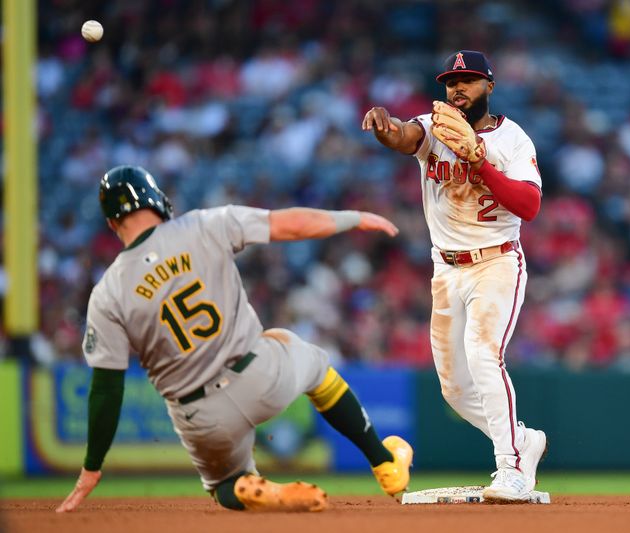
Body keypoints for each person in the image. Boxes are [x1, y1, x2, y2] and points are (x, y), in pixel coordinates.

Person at [56, 165, 413, 513]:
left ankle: (246, 485)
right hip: (258, 374)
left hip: (199, 415)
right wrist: (353, 218)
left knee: (223, 485)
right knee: (311, 361)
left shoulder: (107, 292)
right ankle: (384, 464)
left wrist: (92, 466)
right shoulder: (201, 225)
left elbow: (106, 389)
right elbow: (289, 225)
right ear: (156, 199)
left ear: (111, 223)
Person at [361, 50, 546, 502]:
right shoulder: (435, 126)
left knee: (484, 355)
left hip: (496, 261)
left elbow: (529, 206)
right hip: (446, 269)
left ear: (490, 87)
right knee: (456, 391)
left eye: (468, 80)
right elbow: (406, 137)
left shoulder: (513, 140)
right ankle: (522, 441)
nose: (457, 88)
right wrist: (387, 130)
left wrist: (480, 162)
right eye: (450, 81)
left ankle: (512, 468)